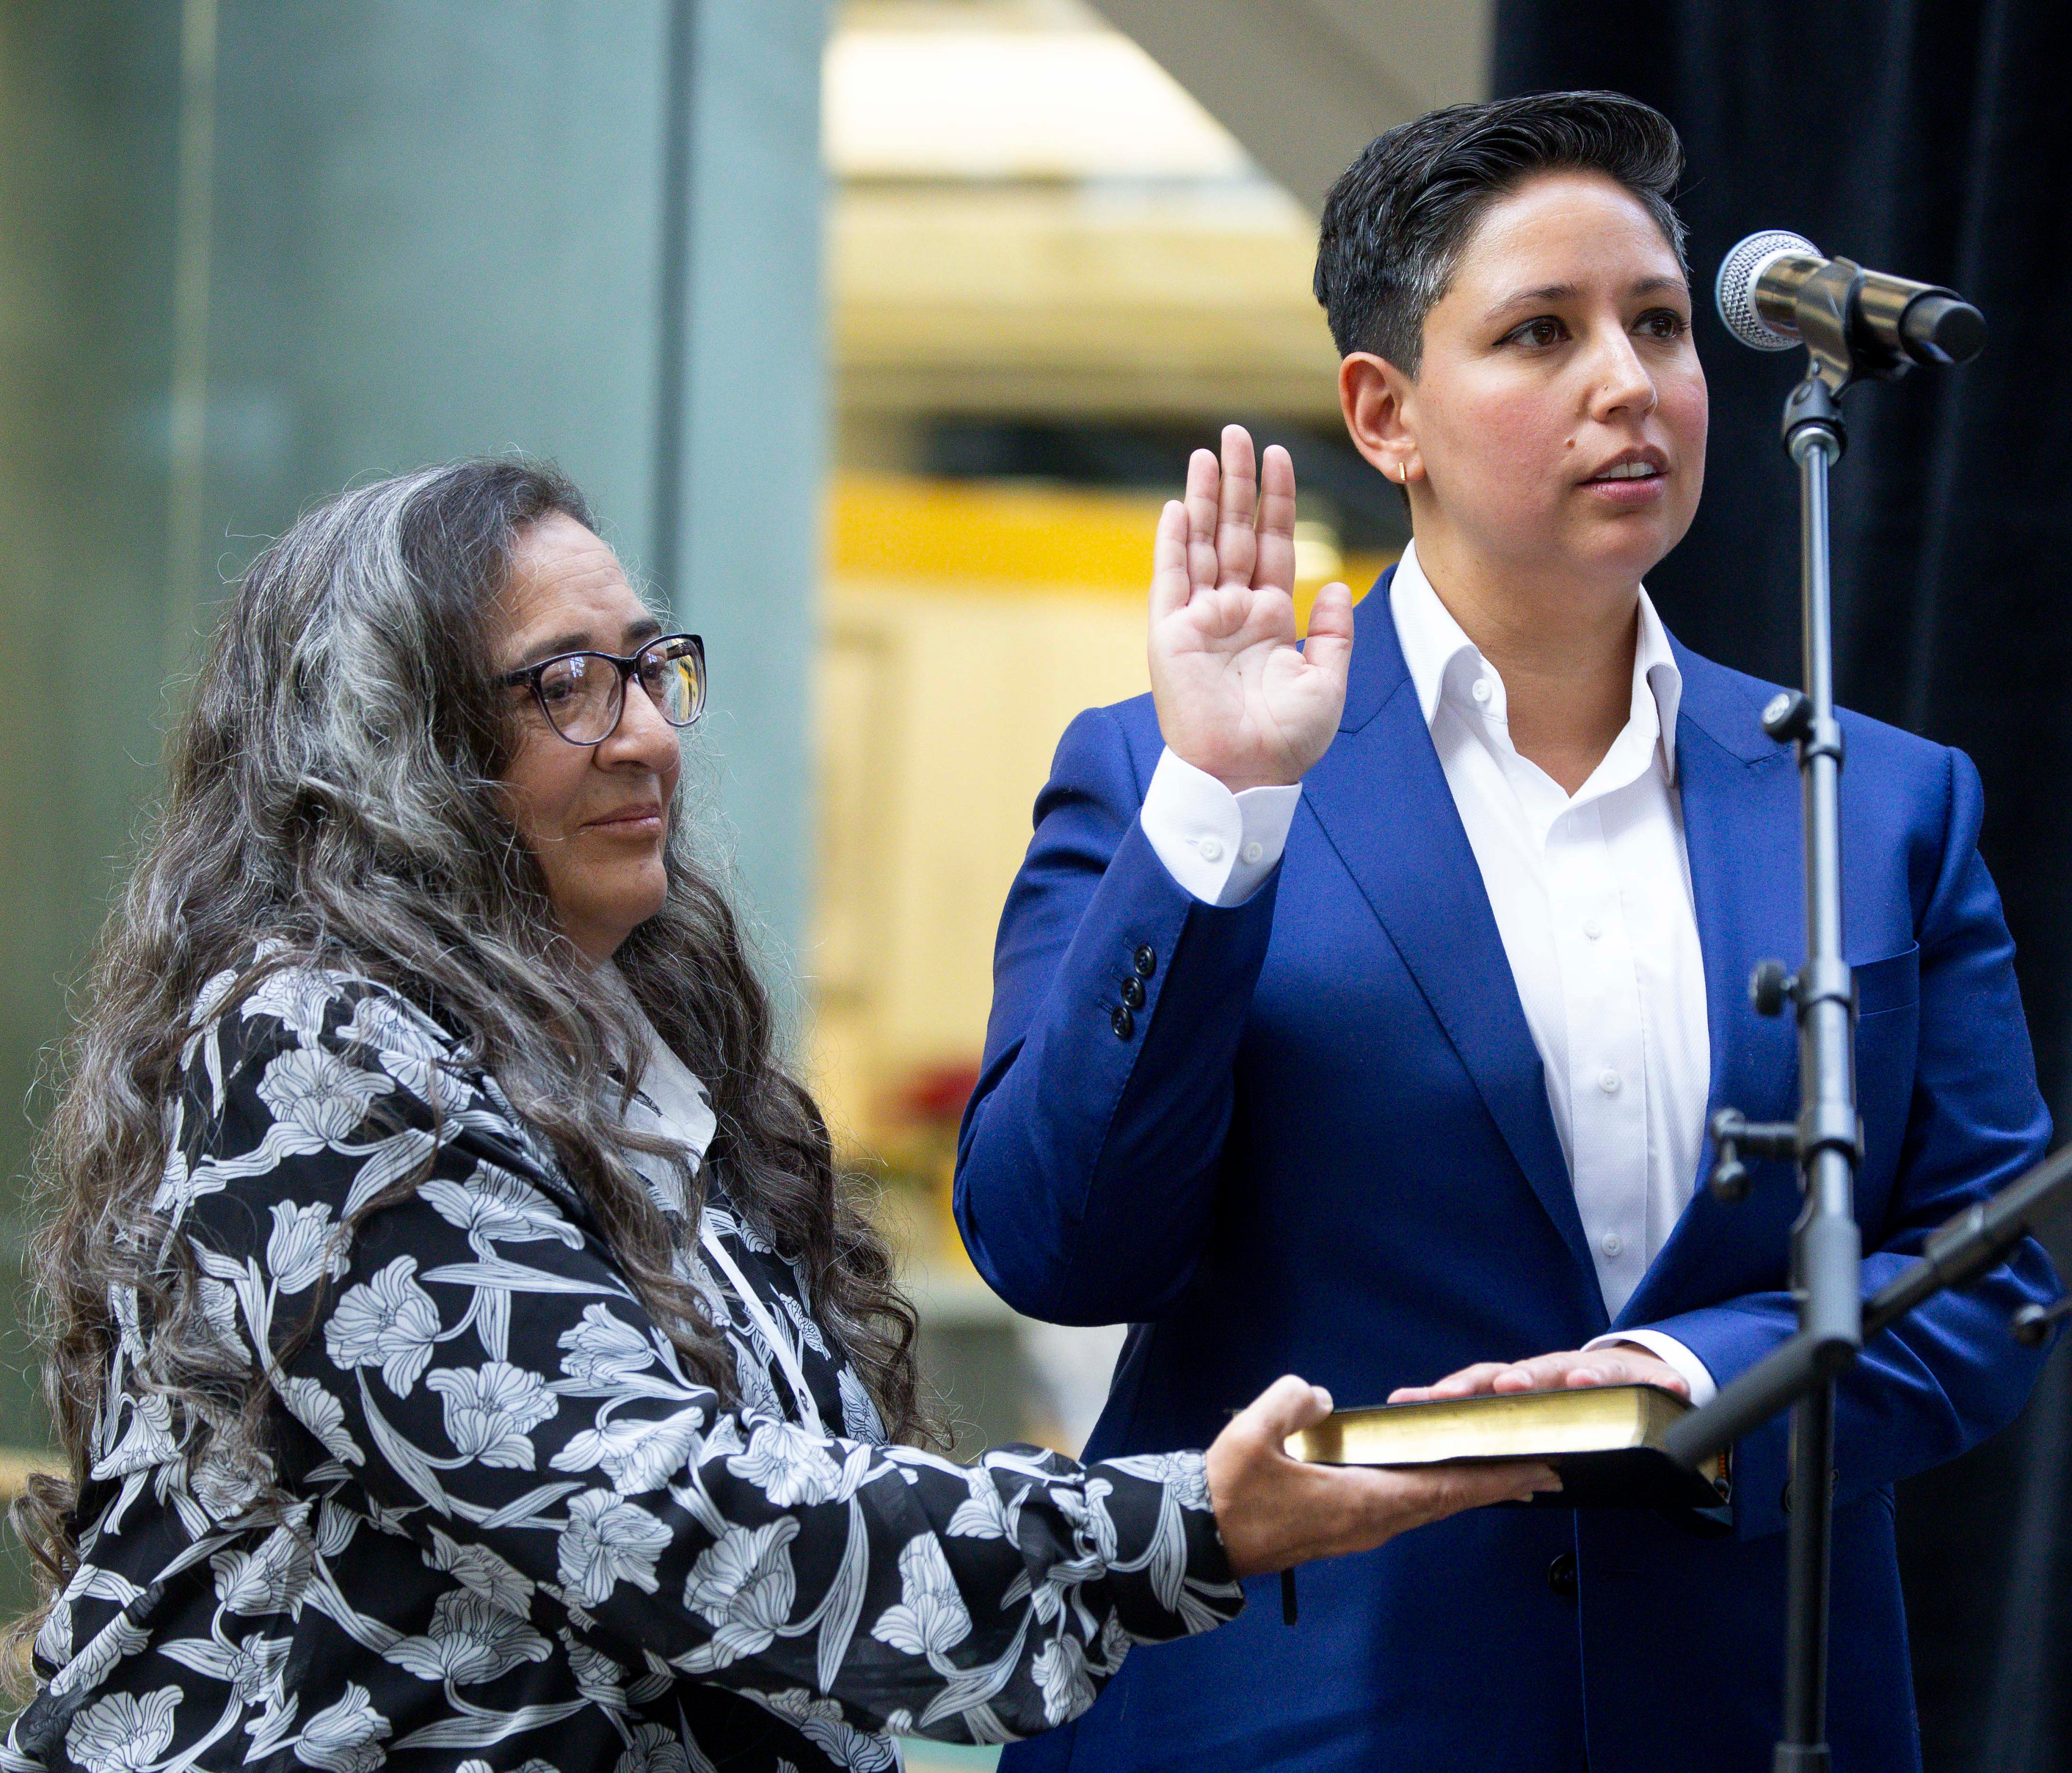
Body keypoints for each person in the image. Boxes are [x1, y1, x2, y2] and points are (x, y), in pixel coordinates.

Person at [2, 461, 1554, 1773]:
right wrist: (1188, 1521)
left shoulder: (641, 1041)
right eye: (560, 685)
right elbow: (653, 1507)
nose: (644, 735)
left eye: (646, 667)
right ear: (389, 741)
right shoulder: (310, 1041)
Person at [956, 91, 2058, 1772]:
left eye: (1661, 325)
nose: (1629, 382)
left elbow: (1995, 1269)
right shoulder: (1158, 771)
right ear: (1385, 413)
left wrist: (1679, 1377)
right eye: (1541, 332)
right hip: (1301, 1713)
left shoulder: (1883, 800)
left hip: (1752, 1712)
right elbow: (1059, 1246)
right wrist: (1226, 811)